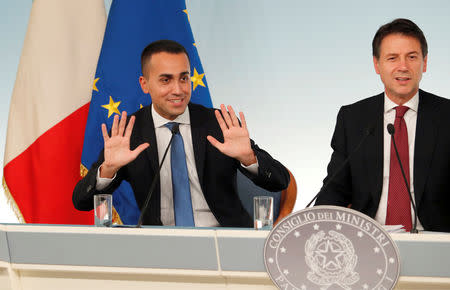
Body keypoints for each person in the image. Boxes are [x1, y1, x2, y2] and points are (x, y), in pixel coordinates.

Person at [73, 40, 290, 227]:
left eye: (184, 78)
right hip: (161, 247)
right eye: (166, 80)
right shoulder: (130, 132)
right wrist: (109, 169)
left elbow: (280, 181)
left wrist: (248, 158)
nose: (178, 90)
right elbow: (81, 201)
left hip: (224, 239)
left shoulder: (218, 124)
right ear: (145, 84)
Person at [315, 18, 450, 232]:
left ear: (424, 62)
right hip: (369, 239)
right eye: (392, 58)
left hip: (436, 239)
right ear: (377, 65)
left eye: (412, 57)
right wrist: (319, 229)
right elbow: (334, 190)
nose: (403, 67)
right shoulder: (353, 118)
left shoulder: (446, 116)